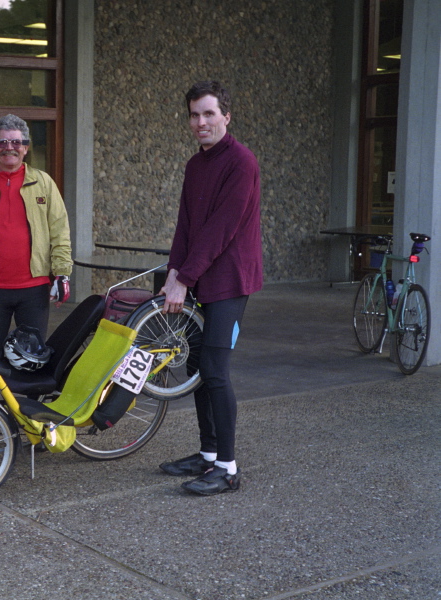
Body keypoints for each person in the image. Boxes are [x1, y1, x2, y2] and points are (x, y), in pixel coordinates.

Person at [157, 81, 262, 495]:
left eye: (208, 114)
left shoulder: (241, 163)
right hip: (198, 278)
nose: (200, 122)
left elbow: (222, 229)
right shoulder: (194, 165)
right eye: (194, 115)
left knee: (216, 372)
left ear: (226, 117)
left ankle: (229, 468)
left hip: (230, 281)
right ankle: (208, 454)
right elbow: (186, 226)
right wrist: (173, 272)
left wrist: (185, 277)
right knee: (197, 370)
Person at [0, 113, 72, 369]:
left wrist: (62, 274)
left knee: (31, 359)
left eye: (16, 142)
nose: (10, 148)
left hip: (34, 289)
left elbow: (59, 231)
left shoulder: (44, 183)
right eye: (3, 142)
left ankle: (24, 410)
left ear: (26, 148)